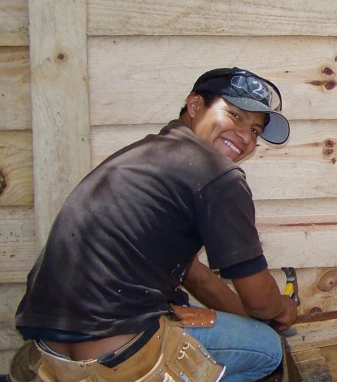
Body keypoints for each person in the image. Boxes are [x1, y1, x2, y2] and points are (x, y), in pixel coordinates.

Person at [14, 67, 296, 382]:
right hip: (120, 352)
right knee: (268, 350)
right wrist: (280, 309)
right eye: (235, 115)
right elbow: (259, 300)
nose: (245, 136)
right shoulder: (217, 175)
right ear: (194, 105)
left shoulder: (148, 156)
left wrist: (249, 317)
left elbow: (196, 277)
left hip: (48, 353)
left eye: (256, 131)